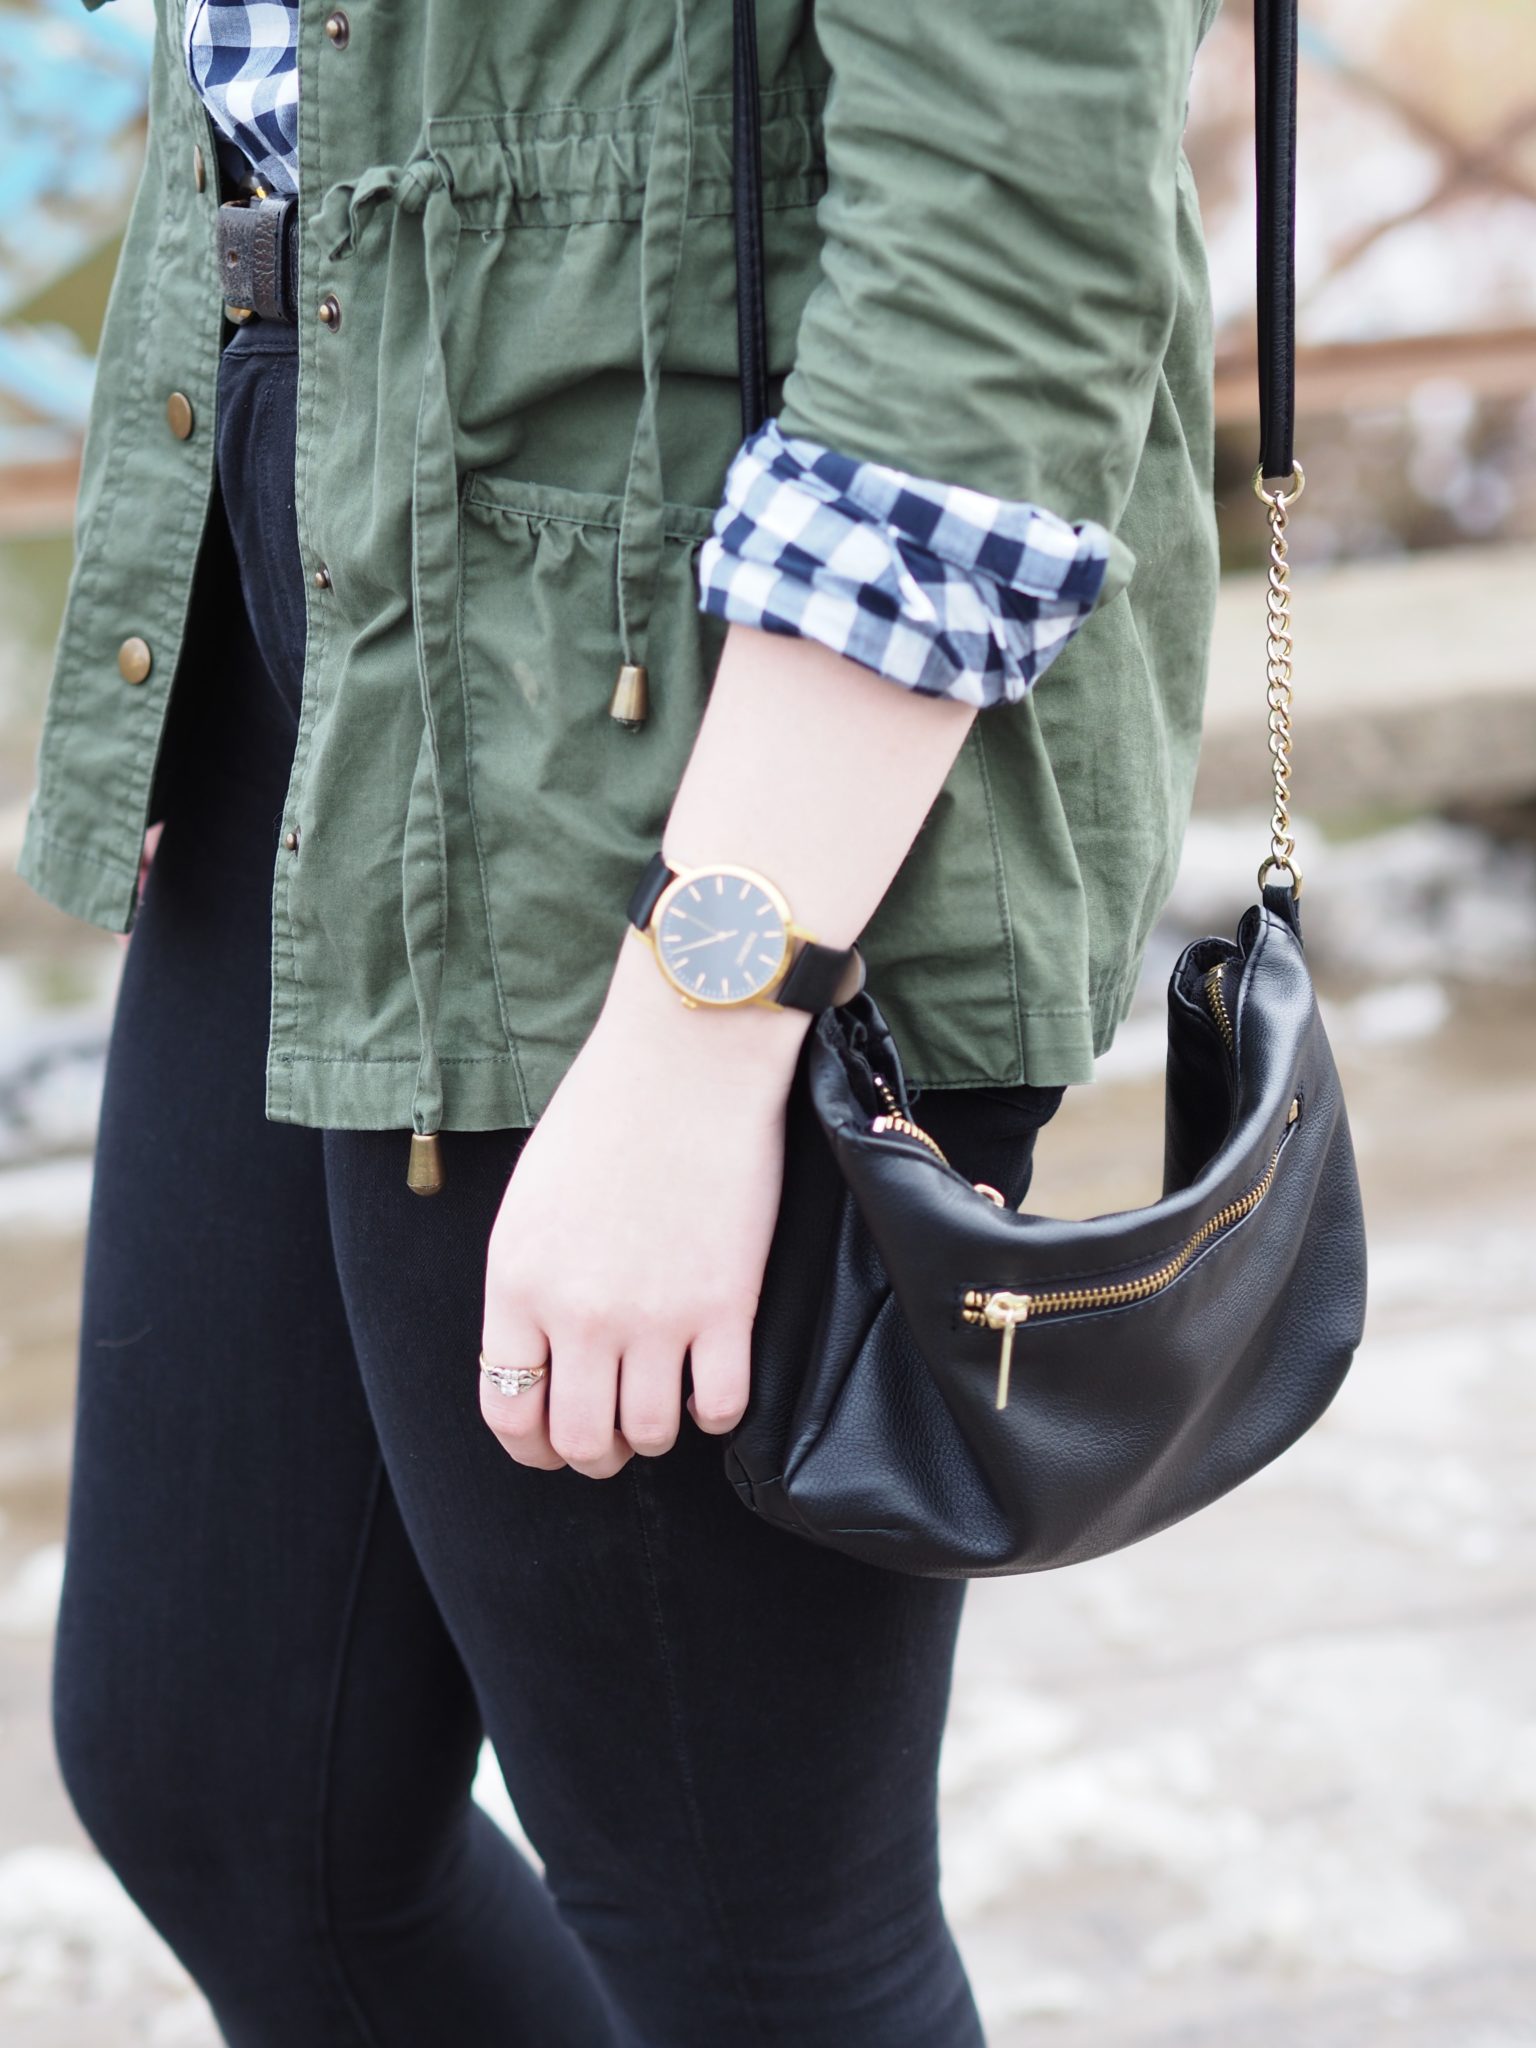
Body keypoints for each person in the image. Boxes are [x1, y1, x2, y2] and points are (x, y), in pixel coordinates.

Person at [19, 2, 1221, 2042]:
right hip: (318, 533)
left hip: (688, 718)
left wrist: (706, 1014)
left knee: (748, 1932)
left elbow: (1018, 204)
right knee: (231, 1784)